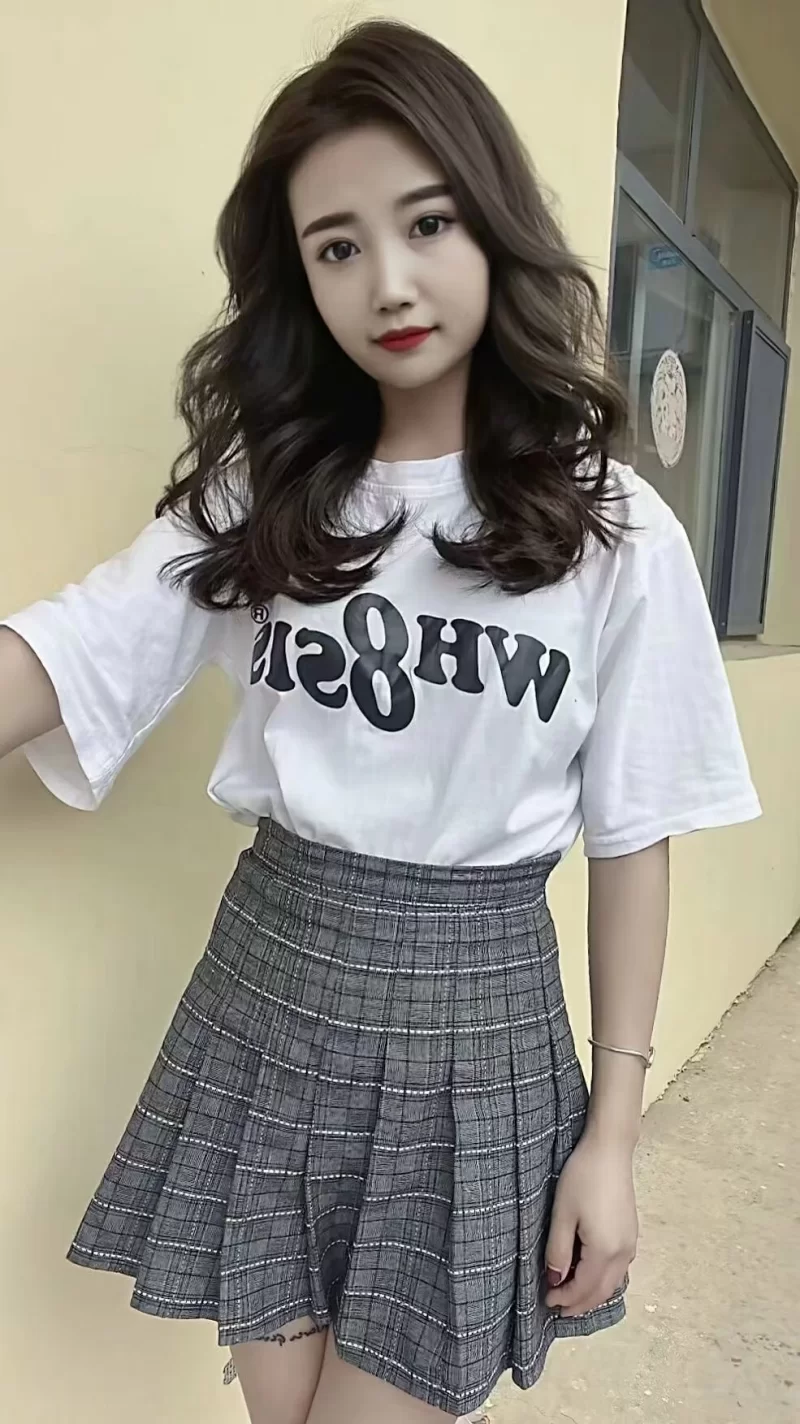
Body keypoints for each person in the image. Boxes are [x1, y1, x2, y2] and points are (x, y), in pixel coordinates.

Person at [0, 19, 761, 1424]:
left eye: (427, 223)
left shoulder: (611, 530)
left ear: (495, 227)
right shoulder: (267, 496)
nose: (388, 282)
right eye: (337, 246)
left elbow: (633, 837)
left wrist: (614, 1134)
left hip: (477, 1032)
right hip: (271, 996)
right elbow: (68, 654)